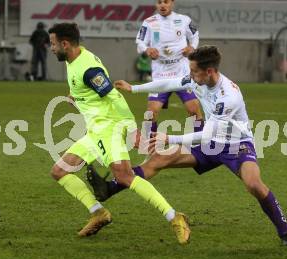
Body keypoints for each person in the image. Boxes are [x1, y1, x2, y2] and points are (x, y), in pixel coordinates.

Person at [88, 45, 287, 246]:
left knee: (253, 184)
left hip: (236, 145)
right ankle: (109, 189)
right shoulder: (198, 79)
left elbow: (206, 135)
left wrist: (169, 139)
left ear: (209, 71)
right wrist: (134, 88)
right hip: (209, 143)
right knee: (158, 160)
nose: (191, 74)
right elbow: (168, 84)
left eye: (194, 71)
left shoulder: (228, 97)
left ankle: (285, 231)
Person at [47, 23, 190, 244]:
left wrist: (133, 131)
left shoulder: (87, 68)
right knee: (59, 171)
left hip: (109, 128)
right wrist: (78, 94)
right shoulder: (74, 60)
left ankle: (175, 217)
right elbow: (90, 89)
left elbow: (113, 96)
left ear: (65, 44)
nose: (51, 48)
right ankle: (98, 213)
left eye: (53, 44)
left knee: (124, 176)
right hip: (96, 131)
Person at [136, 0, 203, 134]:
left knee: (194, 111)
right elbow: (140, 41)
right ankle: (152, 148)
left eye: (166, 1)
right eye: (159, 2)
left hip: (182, 74)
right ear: (156, 4)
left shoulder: (184, 20)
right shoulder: (149, 22)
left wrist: (192, 47)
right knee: (150, 114)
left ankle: (200, 147)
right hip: (160, 75)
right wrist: (147, 49)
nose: (162, 5)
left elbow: (195, 35)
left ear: (172, 3)